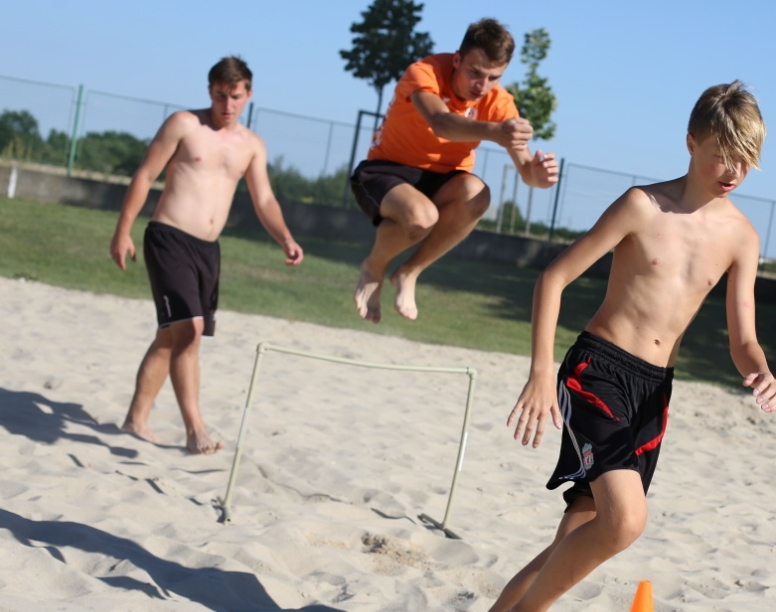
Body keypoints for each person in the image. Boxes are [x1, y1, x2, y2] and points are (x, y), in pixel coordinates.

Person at [450, 81, 776, 612]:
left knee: (579, 535)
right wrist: (539, 375)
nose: (733, 168)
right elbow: (553, 278)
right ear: (690, 142)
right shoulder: (642, 206)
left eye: (746, 156)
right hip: (597, 372)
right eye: (721, 152)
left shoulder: (742, 236)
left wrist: (757, 365)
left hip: (653, 395)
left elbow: (742, 336)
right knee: (626, 520)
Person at [110, 57, 303, 454]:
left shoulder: (252, 145)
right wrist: (122, 230)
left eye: (235, 96)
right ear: (209, 91)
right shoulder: (184, 124)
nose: (227, 105)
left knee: (171, 335)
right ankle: (195, 429)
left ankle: (135, 421)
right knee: (190, 331)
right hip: (168, 238)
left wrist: (284, 237)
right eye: (219, 95)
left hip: (207, 251)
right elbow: (146, 174)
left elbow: (263, 198)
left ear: (248, 94)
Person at [350, 17, 559, 323]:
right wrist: (494, 131)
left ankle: (409, 272)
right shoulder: (424, 72)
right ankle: (373, 267)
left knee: (478, 194)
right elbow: (441, 123)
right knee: (422, 217)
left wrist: (538, 176)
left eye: (493, 78)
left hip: (444, 180)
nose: (482, 86)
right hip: (387, 170)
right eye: (475, 72)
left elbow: (527, 170)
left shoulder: (498, 101)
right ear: (458, 60)